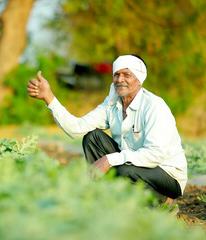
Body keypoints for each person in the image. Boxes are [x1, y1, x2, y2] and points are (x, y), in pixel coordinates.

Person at [27, 54, 187, 212]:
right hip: (133, 165)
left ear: (139, 79)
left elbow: (155, 155)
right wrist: (49, 97)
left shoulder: (154, 106)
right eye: (116, 74)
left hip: (167, 174)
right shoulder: (112, 104)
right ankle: (109, 199)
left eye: (127, 74)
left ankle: (164, 202)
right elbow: (75, 128)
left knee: (125, 170)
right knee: (92, 137)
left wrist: (109, 159)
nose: (120, 79)